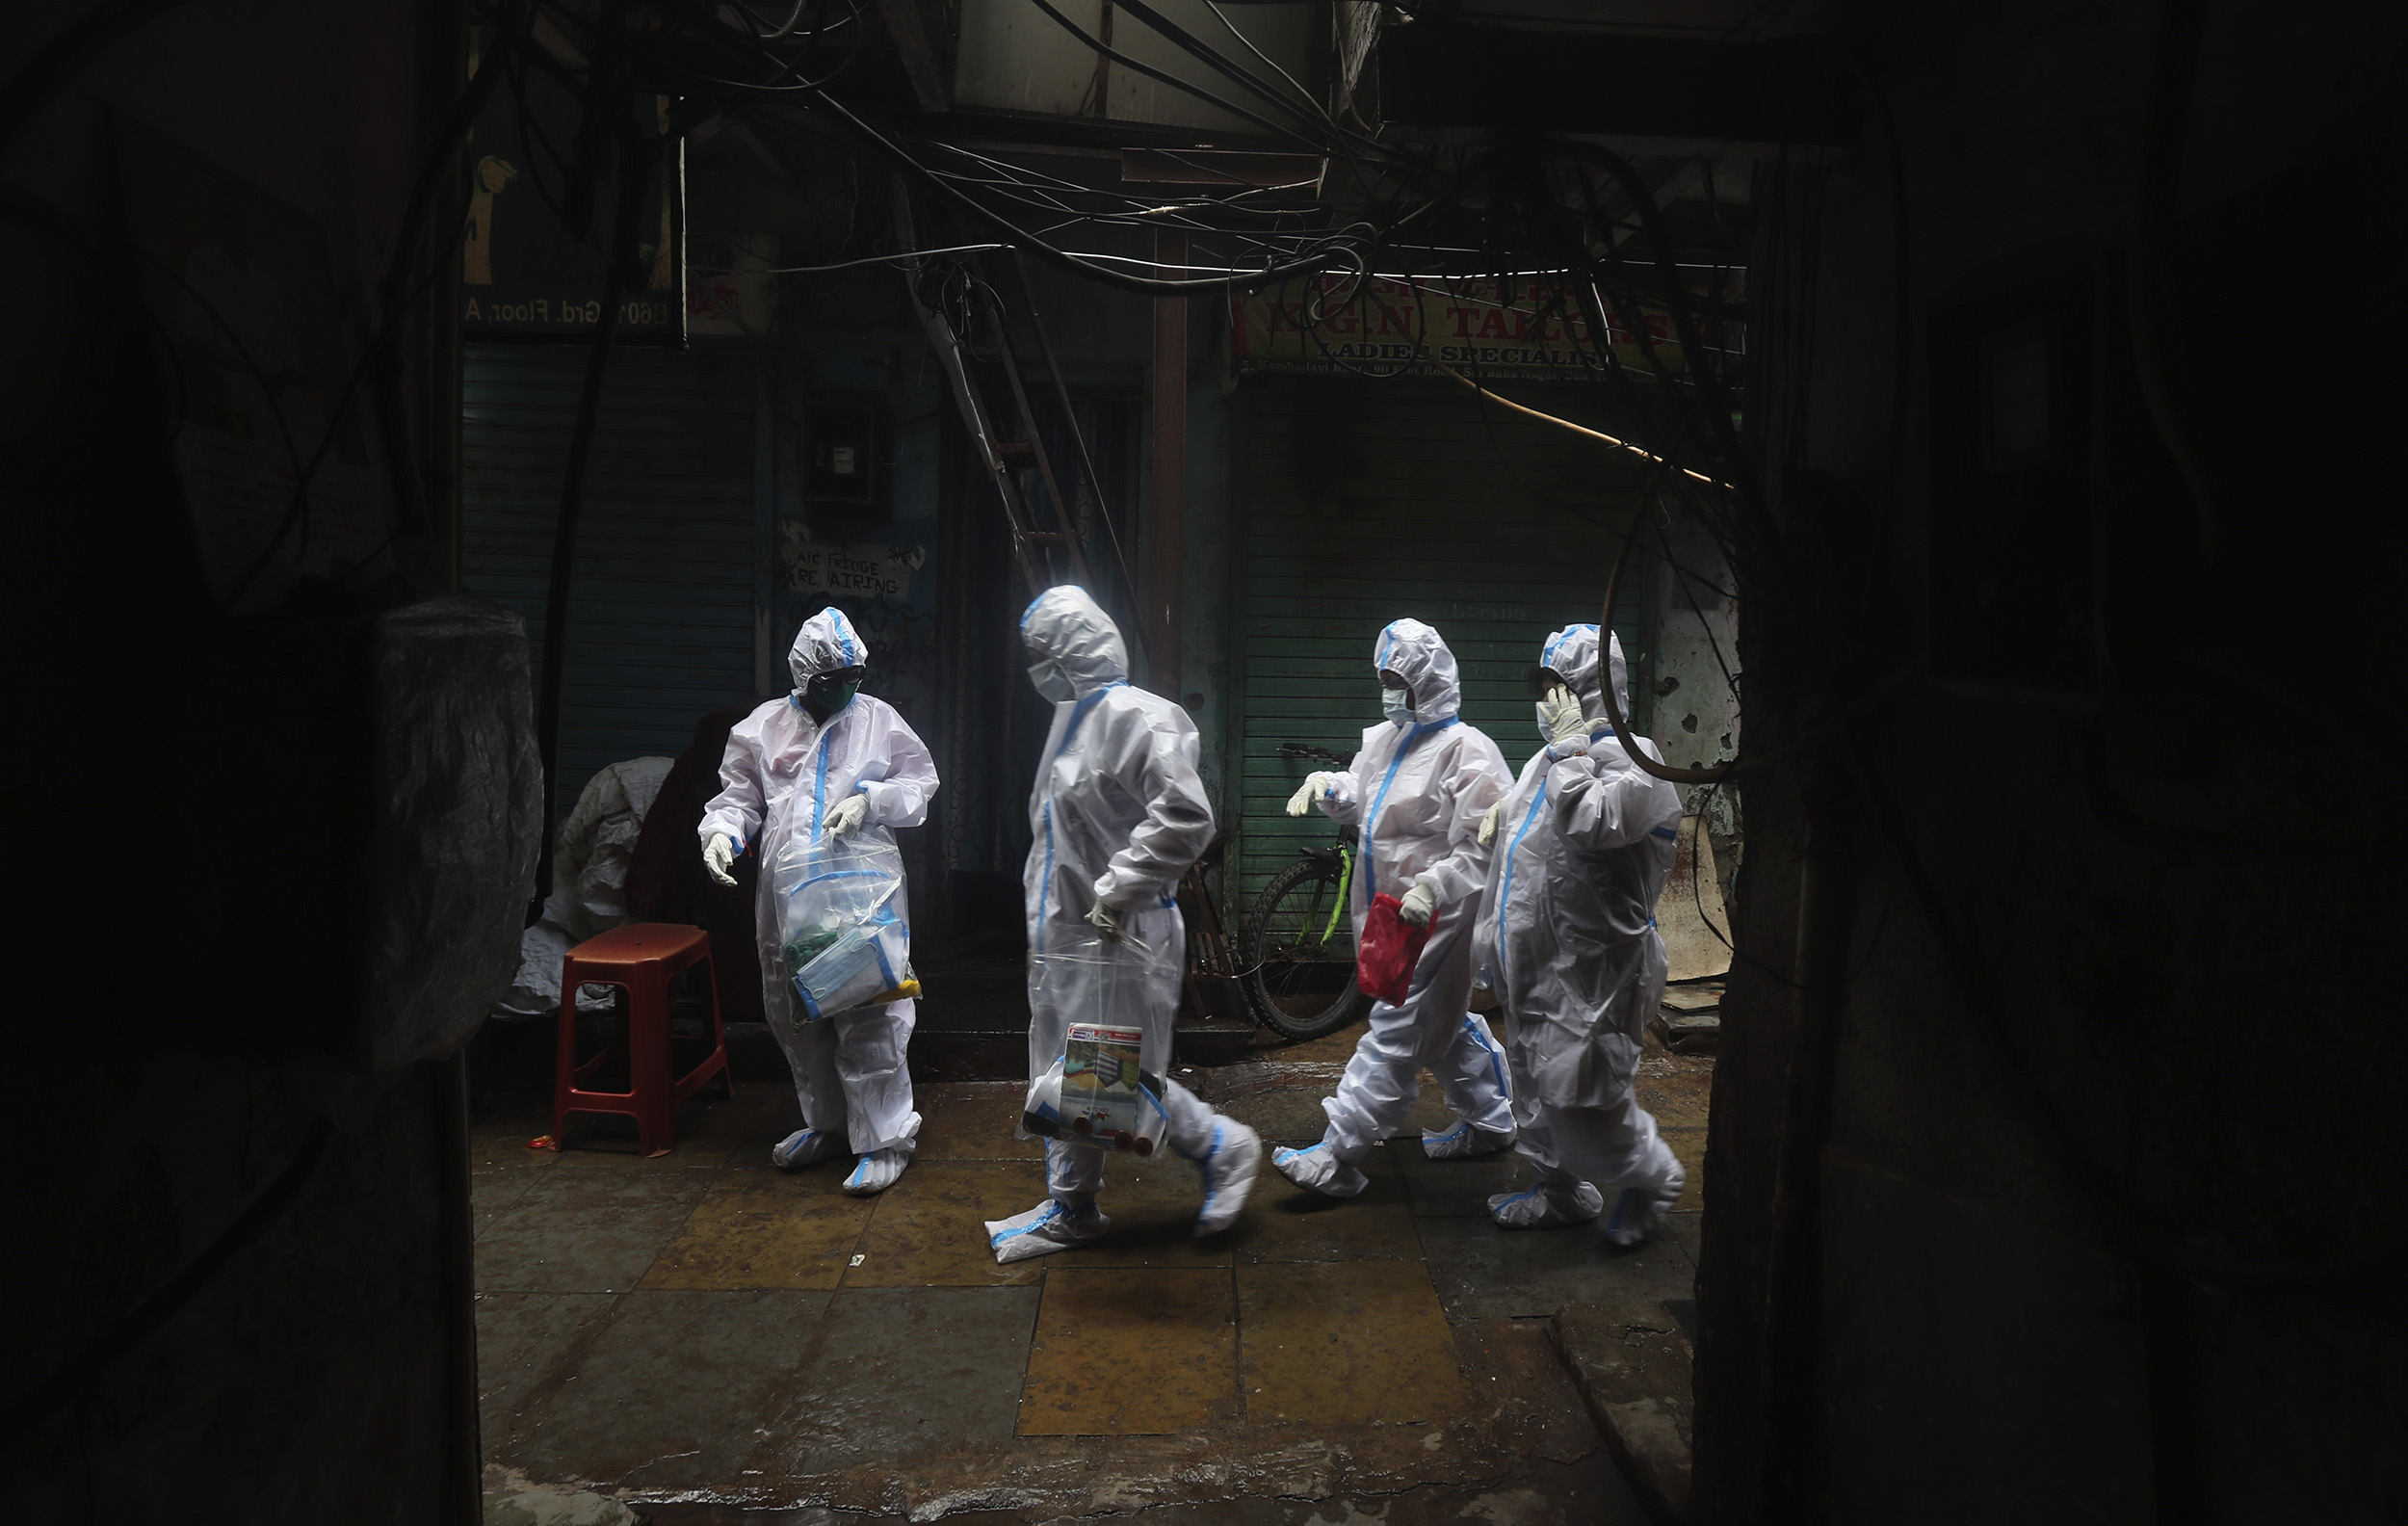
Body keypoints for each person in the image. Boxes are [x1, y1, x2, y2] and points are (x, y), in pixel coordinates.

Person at [983, 586, 1264, 1261]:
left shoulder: (1138, 717)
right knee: (1072, 1075)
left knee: (1103, 1078)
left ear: (1072, 652)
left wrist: (1118, 889)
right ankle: (1072, 1205)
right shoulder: (1073, 717)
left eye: (1043, 654)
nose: (1036, 668)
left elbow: (1186, 817)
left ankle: (1223, 1148)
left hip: (1122, 932)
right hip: (1073, 931)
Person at [1270, 618, 1518, 1198]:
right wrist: (1333, 788)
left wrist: (1435, 886)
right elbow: (1366, 803)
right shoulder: (1384, 740)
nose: (1387, 691)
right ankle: (1491, 1121)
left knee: (1394, 1028)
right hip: (1386, 908)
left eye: (1396, 679)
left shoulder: (1468, 751)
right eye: (1382, 678)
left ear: (1425, 682)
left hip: (1436, 911)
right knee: (1444, 1020)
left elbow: (1486, 841)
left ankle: (1340, 1153)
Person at [699, 608, 939, 1196]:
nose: (847, 687)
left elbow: (920, 785)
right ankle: (827, 1124)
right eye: (833, 678)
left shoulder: (880, 719)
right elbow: (739, 797)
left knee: (869, 1006)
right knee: (795, 1007)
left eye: (854, 674)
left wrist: (872, 801)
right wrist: (721, 835)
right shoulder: (761, 728)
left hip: (861, 884)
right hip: (787, 891)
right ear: (805, 676)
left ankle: (883, 1138)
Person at [1472, 623, 1686, 1243]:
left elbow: (1596, 822)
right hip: (1540, 958)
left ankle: (1654, 1176)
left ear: (1598, 690)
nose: (1548, 702)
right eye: (1543, 689)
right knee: (1536, 1079)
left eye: (1560, 688)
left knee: (1587, 1095)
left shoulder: (1638, 761)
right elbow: (1523, 856)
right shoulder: (1549, 756)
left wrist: (1569, 754)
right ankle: (1558, 1188)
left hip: (1598, 967)